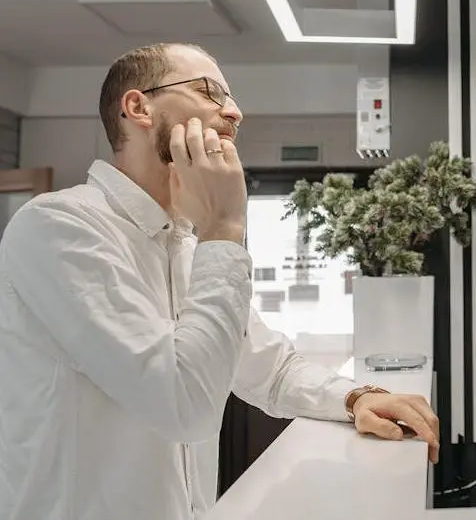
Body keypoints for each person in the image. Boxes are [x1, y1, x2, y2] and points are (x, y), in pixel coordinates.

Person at [0, 43, 440, 520]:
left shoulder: (185, 242)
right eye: (209, 91)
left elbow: (268, 368)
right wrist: (225, 228)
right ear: (138, 107)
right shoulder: (59, 226)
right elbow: (182, 405)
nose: (234, 111)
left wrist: (357, 398)